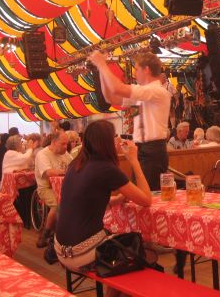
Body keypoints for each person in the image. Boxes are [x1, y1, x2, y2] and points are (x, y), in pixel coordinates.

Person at [55, 120, 151, 289]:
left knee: (121, 249)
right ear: (106, 142)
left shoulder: (75, 164)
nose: (117, 140)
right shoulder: (106, 168)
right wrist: (134, 160)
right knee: (136, 256)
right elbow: (146, 200)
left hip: (60, 248)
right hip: (81, 253)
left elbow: (85, 200)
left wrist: (117, 200)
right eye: (114, 136)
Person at [88, 51, 170, 191]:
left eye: (137, 69)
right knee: (142, 194)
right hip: (142, 150)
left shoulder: (157, 91)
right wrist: (100, 70)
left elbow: (117, 88)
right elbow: (110, 98)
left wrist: (102, 64)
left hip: (153, 150)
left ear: (146, 70)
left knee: (148, 196)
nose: (134, 73)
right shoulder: (143, 93)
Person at [35, 130, 72, 248]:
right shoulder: (43, 154)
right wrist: (65, 172)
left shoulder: (65, 154)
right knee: (58, 204)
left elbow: (75, 166)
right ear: (54, 142)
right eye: (63, 144)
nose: (66, 147)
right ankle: (45, 234)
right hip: (46, 188)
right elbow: (48, 172)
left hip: (64, 188)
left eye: (67, 144)